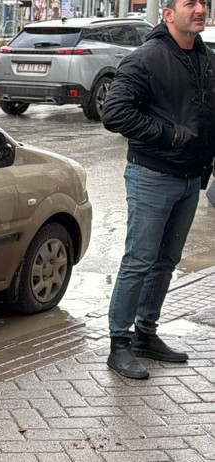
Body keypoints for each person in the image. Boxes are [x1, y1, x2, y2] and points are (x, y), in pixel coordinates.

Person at [101, 0, 215, 379]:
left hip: (189, 178)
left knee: (166, 261)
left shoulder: (203, 56)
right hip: (151, 175)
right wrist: (171, 136)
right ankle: (119, 344)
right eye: (190, 4)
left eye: (203, 3)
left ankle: (146, 333)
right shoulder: (146, 57)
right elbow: (114, 114)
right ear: (168, 13)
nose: (199, 9)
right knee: (139, 260)